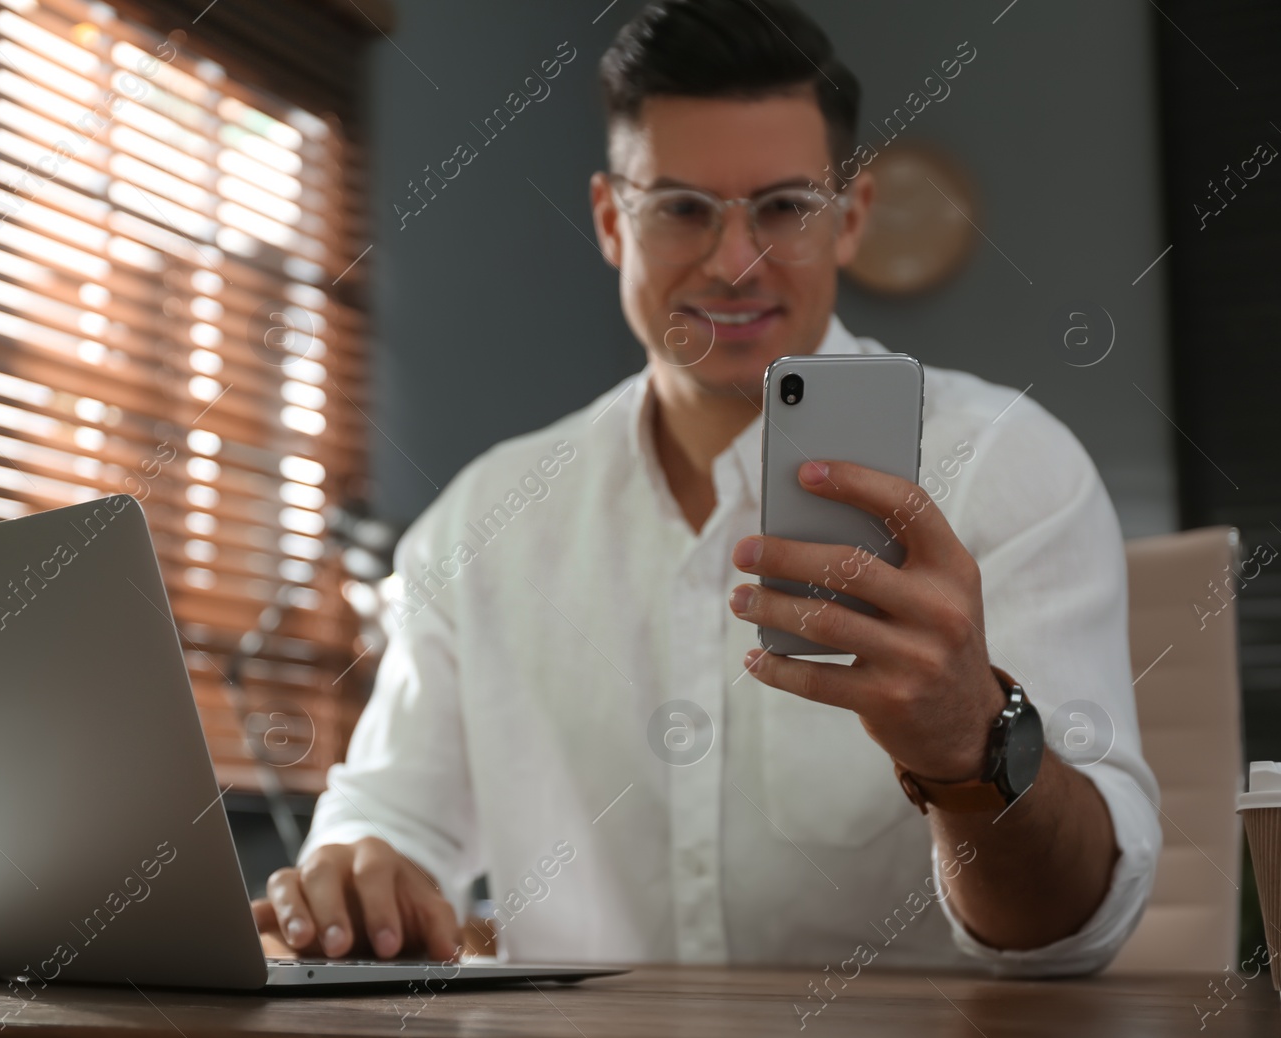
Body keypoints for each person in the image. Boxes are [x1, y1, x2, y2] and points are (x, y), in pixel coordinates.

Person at [251, 0, 1160, 974]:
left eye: (784, 207)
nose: (735, 263)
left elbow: (1072, 934)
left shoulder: (1011, 470)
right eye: (681, 207)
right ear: (610, 218)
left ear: (848, 218)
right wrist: (364, 867)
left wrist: (973, 745)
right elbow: (393, 816)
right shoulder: (478, 520)